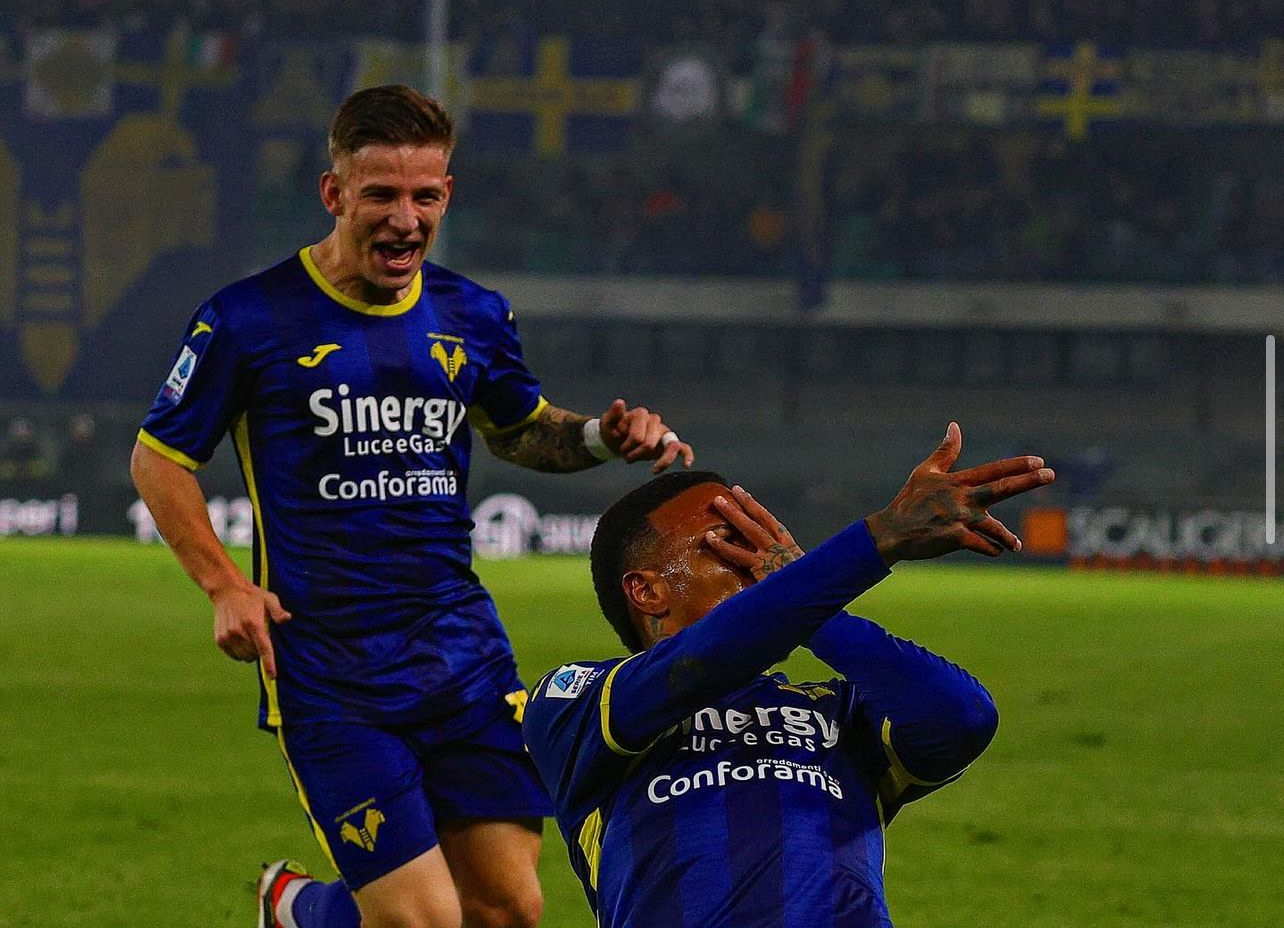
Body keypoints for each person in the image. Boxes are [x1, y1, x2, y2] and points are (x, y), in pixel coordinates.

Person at [129, 84, 694, 928]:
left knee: (507, 910)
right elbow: (159, 459)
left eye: (425, 196)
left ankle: (299, 912)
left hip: (461, 656)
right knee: (423, 921)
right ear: (334, 194)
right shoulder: (248, 319)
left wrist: (602, 438)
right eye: (381, 196)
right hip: (329, 670)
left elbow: (521, 431)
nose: (405, 220)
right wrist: (224, 586)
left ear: (447, 195)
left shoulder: (473, 313)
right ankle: (303, 908)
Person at [523, 423, 1055, 928]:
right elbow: (704, 659)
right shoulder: (575, 705)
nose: (760, 561)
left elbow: (962, 717)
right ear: (647, 591)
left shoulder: (842, 714)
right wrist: (878, 539)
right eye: (726, 542)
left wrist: (815, 610)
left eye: (761, 541)